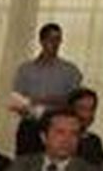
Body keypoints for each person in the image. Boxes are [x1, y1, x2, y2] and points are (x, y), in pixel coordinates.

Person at [10, 23, 83, 155]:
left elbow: (74, 102)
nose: (55, 44)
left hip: (58, 128)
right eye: (52, 39)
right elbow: (16, 103)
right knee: (26, 167)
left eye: (58, 40)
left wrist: (38, 100)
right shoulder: (25, 69)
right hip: (30, 127)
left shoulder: (70, 71)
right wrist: (49, 102)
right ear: (42, 41)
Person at [68, 87, 103, 169]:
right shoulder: (57, 137)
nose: (86, 114)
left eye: (91, 109)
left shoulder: (94, 141)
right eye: (82, 108)